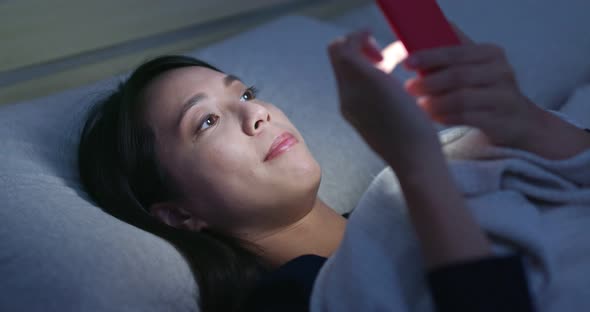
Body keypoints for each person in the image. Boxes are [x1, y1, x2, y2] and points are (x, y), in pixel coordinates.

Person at [77, 23, 590, 312]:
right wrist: (416, 165)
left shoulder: (385, 210)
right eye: (207, 122)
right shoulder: (289, 301)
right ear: (178, 215)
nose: (256, 114)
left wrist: (521, 119)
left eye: (247, 94)